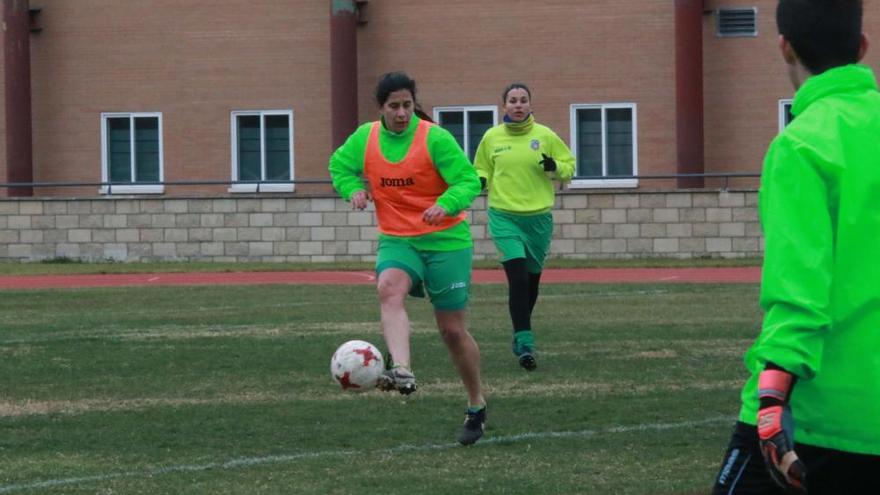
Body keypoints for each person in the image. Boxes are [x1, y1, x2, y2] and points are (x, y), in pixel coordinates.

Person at [711, 1, 880, 493]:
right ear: (862, 48)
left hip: (819, 415)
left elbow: (799, 290)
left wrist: (771, 403)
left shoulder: (802, 145)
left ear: (784, 46)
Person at [328, 71, 487, 445]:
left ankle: (476, 404)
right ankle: (401, 369)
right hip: (399, 239)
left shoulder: (434, 138)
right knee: (388, 288)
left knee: (451, 330)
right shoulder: (364, 139)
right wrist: (353, 189)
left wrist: (445, 204)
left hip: (446, 240)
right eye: (394, 106)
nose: (402, 113)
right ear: (380, 108)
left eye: (407, 105)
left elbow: (468, 181)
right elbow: (339, 166)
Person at [472, 83, 574, 371]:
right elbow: (481, 168)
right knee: (516, 278)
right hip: (504, 216)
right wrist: (479, 181)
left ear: (530, 105)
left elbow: (569, 166)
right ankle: (525, 343)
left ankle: (520, 329)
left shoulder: (545, 135)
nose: (518, 105)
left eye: (523, 100)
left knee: (531, 282)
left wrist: (555, 166)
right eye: (513, 101)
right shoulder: (492, 137)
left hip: (539, 219)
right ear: (504, 106)